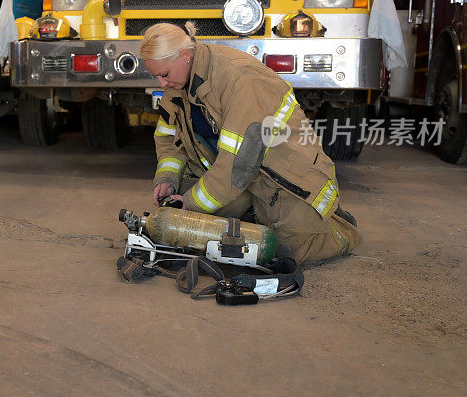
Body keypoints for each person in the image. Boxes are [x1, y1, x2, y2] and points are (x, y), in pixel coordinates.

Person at [141, 22, 361, 264]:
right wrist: (167, 180)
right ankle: (252, 214)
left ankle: (337, 228)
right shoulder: (179, 82)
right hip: (238, 175)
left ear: (185, 55)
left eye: (164, 75)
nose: (161, 84)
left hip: (284, 178)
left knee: (282, 252)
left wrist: (192, 203)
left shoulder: (239, 78)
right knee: (182, 212)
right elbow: (167, 137)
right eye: (156, 76)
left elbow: (238, 166)